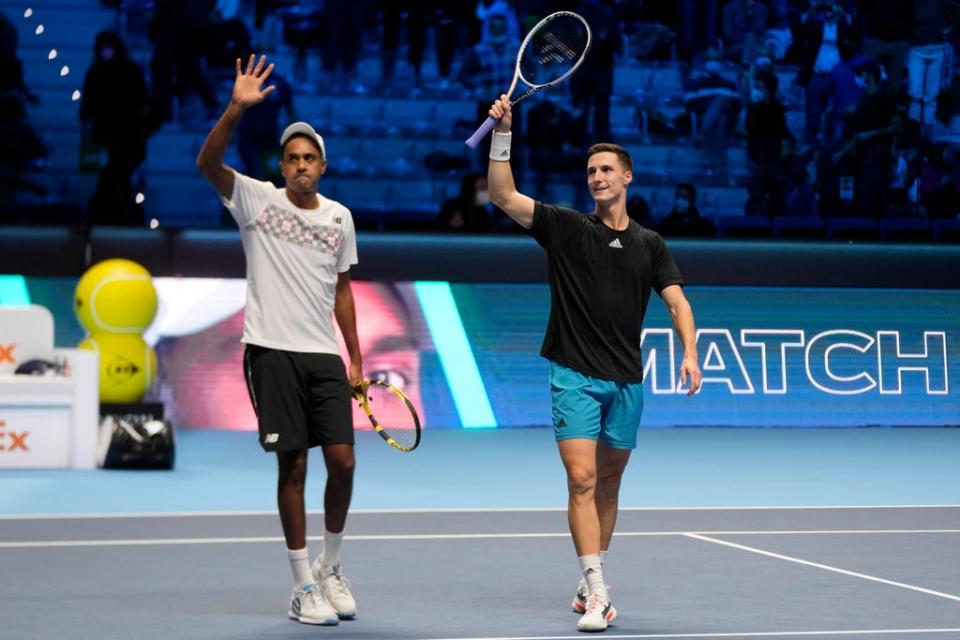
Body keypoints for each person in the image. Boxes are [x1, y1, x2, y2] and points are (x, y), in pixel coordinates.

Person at [485, 95, 703, 632]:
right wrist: (503, 133)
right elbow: (502, 194)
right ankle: (600, 590)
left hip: (626, 379)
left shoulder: (651, 243)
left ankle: (590, 578)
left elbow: (677, 301)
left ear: (627, 176)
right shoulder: (566, 228)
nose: (597, 177)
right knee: (581, 479)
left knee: (608, 484)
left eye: (607, 169)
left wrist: (690, 353)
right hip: (573, 373)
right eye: (590, 170)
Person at [196, 54, 361, 626]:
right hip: (270, 351)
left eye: (309, 158)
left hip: (323, 357)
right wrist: (236, 109)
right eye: (291, 158)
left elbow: (343, 292)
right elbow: (207, 161)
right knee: (292, 470)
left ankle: (331, 566)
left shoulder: (340, 218)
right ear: (282, 165)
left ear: (322, 164)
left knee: (342, 463)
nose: (300, 166)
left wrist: (356, 362)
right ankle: (300, 586)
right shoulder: (256, 200)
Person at [79, 30, 155, 226]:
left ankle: (117, 218)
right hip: (107, 137)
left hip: (128, 137)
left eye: (109, 47)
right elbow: (87, 107)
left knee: (116, 179)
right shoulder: (95, 73)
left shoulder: (130, 71)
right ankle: (121, 218)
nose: (106, 52)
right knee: (115, 180)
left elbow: (142, 103)